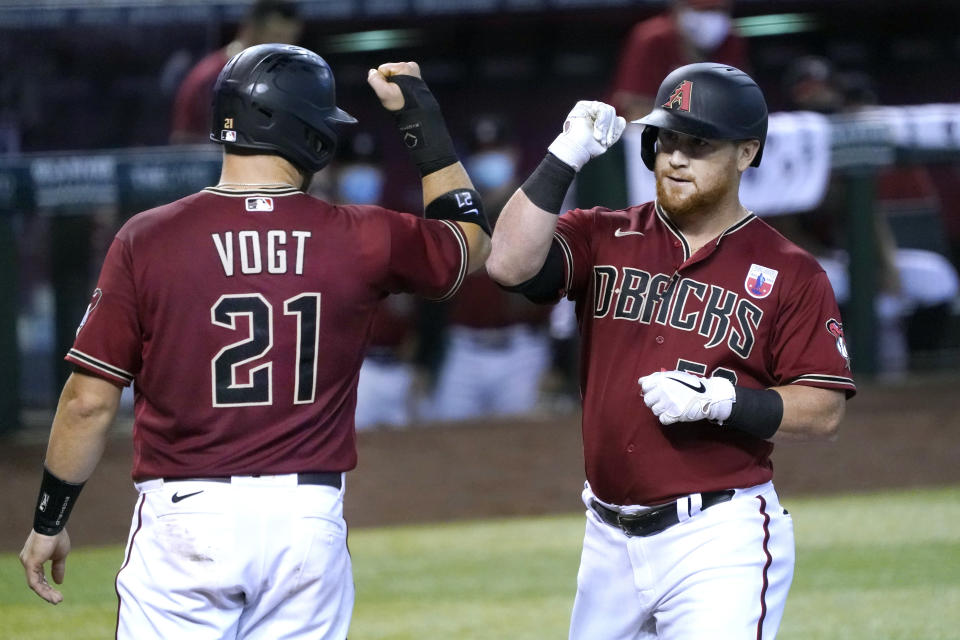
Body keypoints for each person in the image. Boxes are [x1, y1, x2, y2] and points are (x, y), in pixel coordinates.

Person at [19, 44, 491, 639]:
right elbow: (470, 244)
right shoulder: (363, 236)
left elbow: (87, 402)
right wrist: (419, 116)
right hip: (306, 521)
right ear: (307, 132)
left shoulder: (148, 238)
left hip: (187, 518)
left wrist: (49, 520)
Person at [487, 63, 855, 638]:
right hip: (606, 539)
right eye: (667, 139)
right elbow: (507, 263)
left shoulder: (791, 271)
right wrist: (564, 155)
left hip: (718, 536)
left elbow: (824, 408)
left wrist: (722, 402)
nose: (675, 158)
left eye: (699, 144)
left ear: (745, 153)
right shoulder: (603, 233)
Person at [428, 115, 552, 421]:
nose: (490, 159)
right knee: (445, 442)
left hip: (522, 349)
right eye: (482, 152)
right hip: (463, 349)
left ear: (513, 153)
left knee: (525, 448)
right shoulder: (453, 213)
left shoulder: (538, 210)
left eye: (496, 150)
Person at [169, 0, 303, 144]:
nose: (283, 47)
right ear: (250, 28)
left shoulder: (288, 81)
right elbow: (183, 141)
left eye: (290, 39)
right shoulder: (210, 76)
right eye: (276, 37)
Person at [610, 0, 748, 121]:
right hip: (639, 135)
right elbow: (635, 108)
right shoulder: (652, 38)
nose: (711, 17)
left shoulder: (731, 41)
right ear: (679, 9)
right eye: (701, 10)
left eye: (718, 10)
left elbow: (743, 103)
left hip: (703, 136)